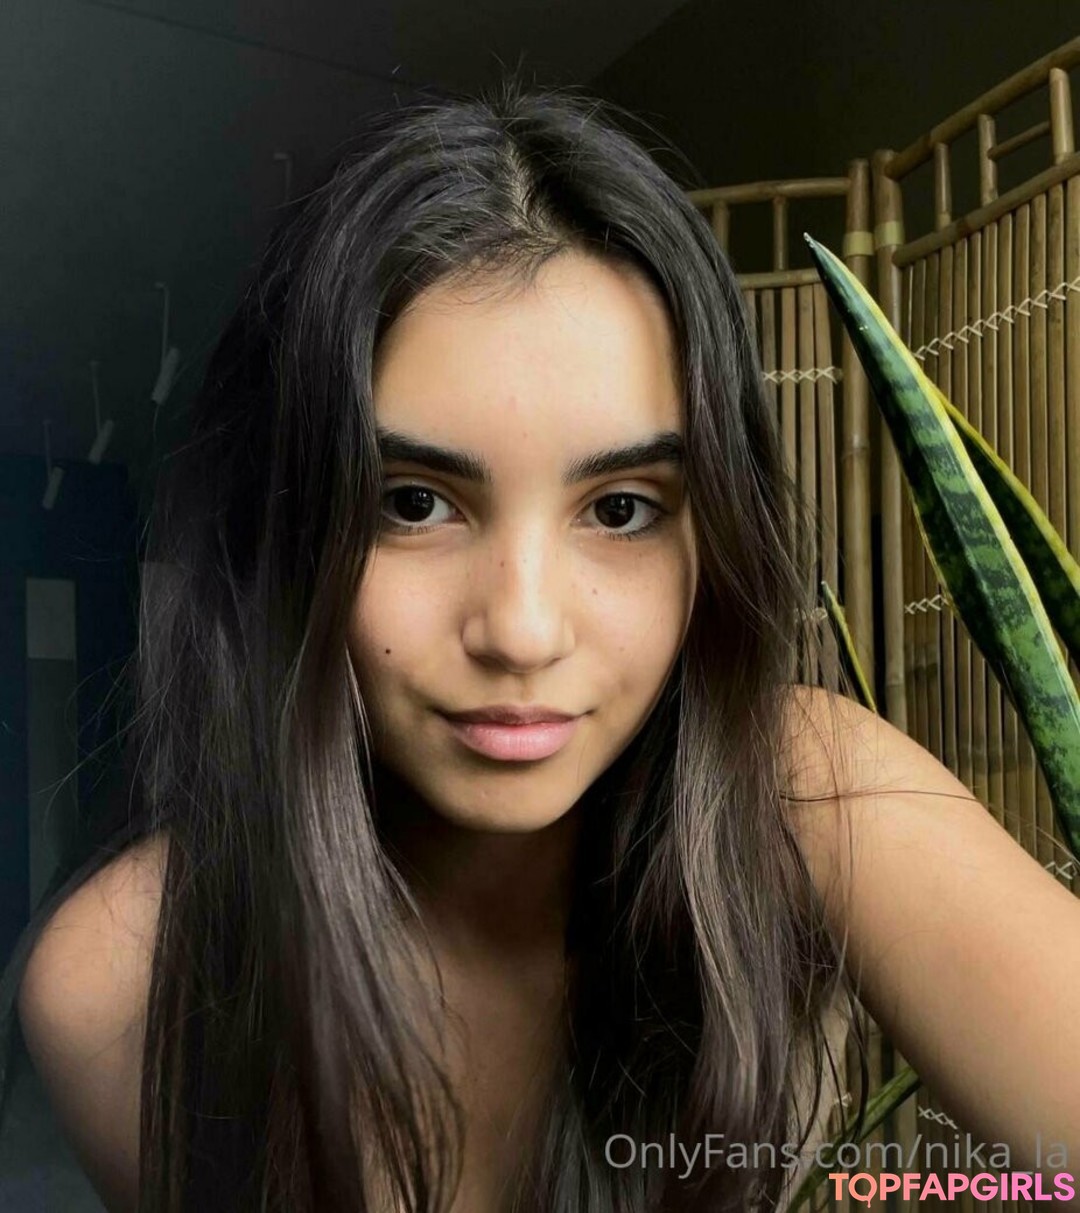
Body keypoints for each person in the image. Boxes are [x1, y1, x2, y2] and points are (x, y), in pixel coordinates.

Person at [7, 75, 1080, 1213]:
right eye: (412, 503)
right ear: (280, 530)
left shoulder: (807, 795)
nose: (522, 630)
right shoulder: (121, 982)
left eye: (620, 508)